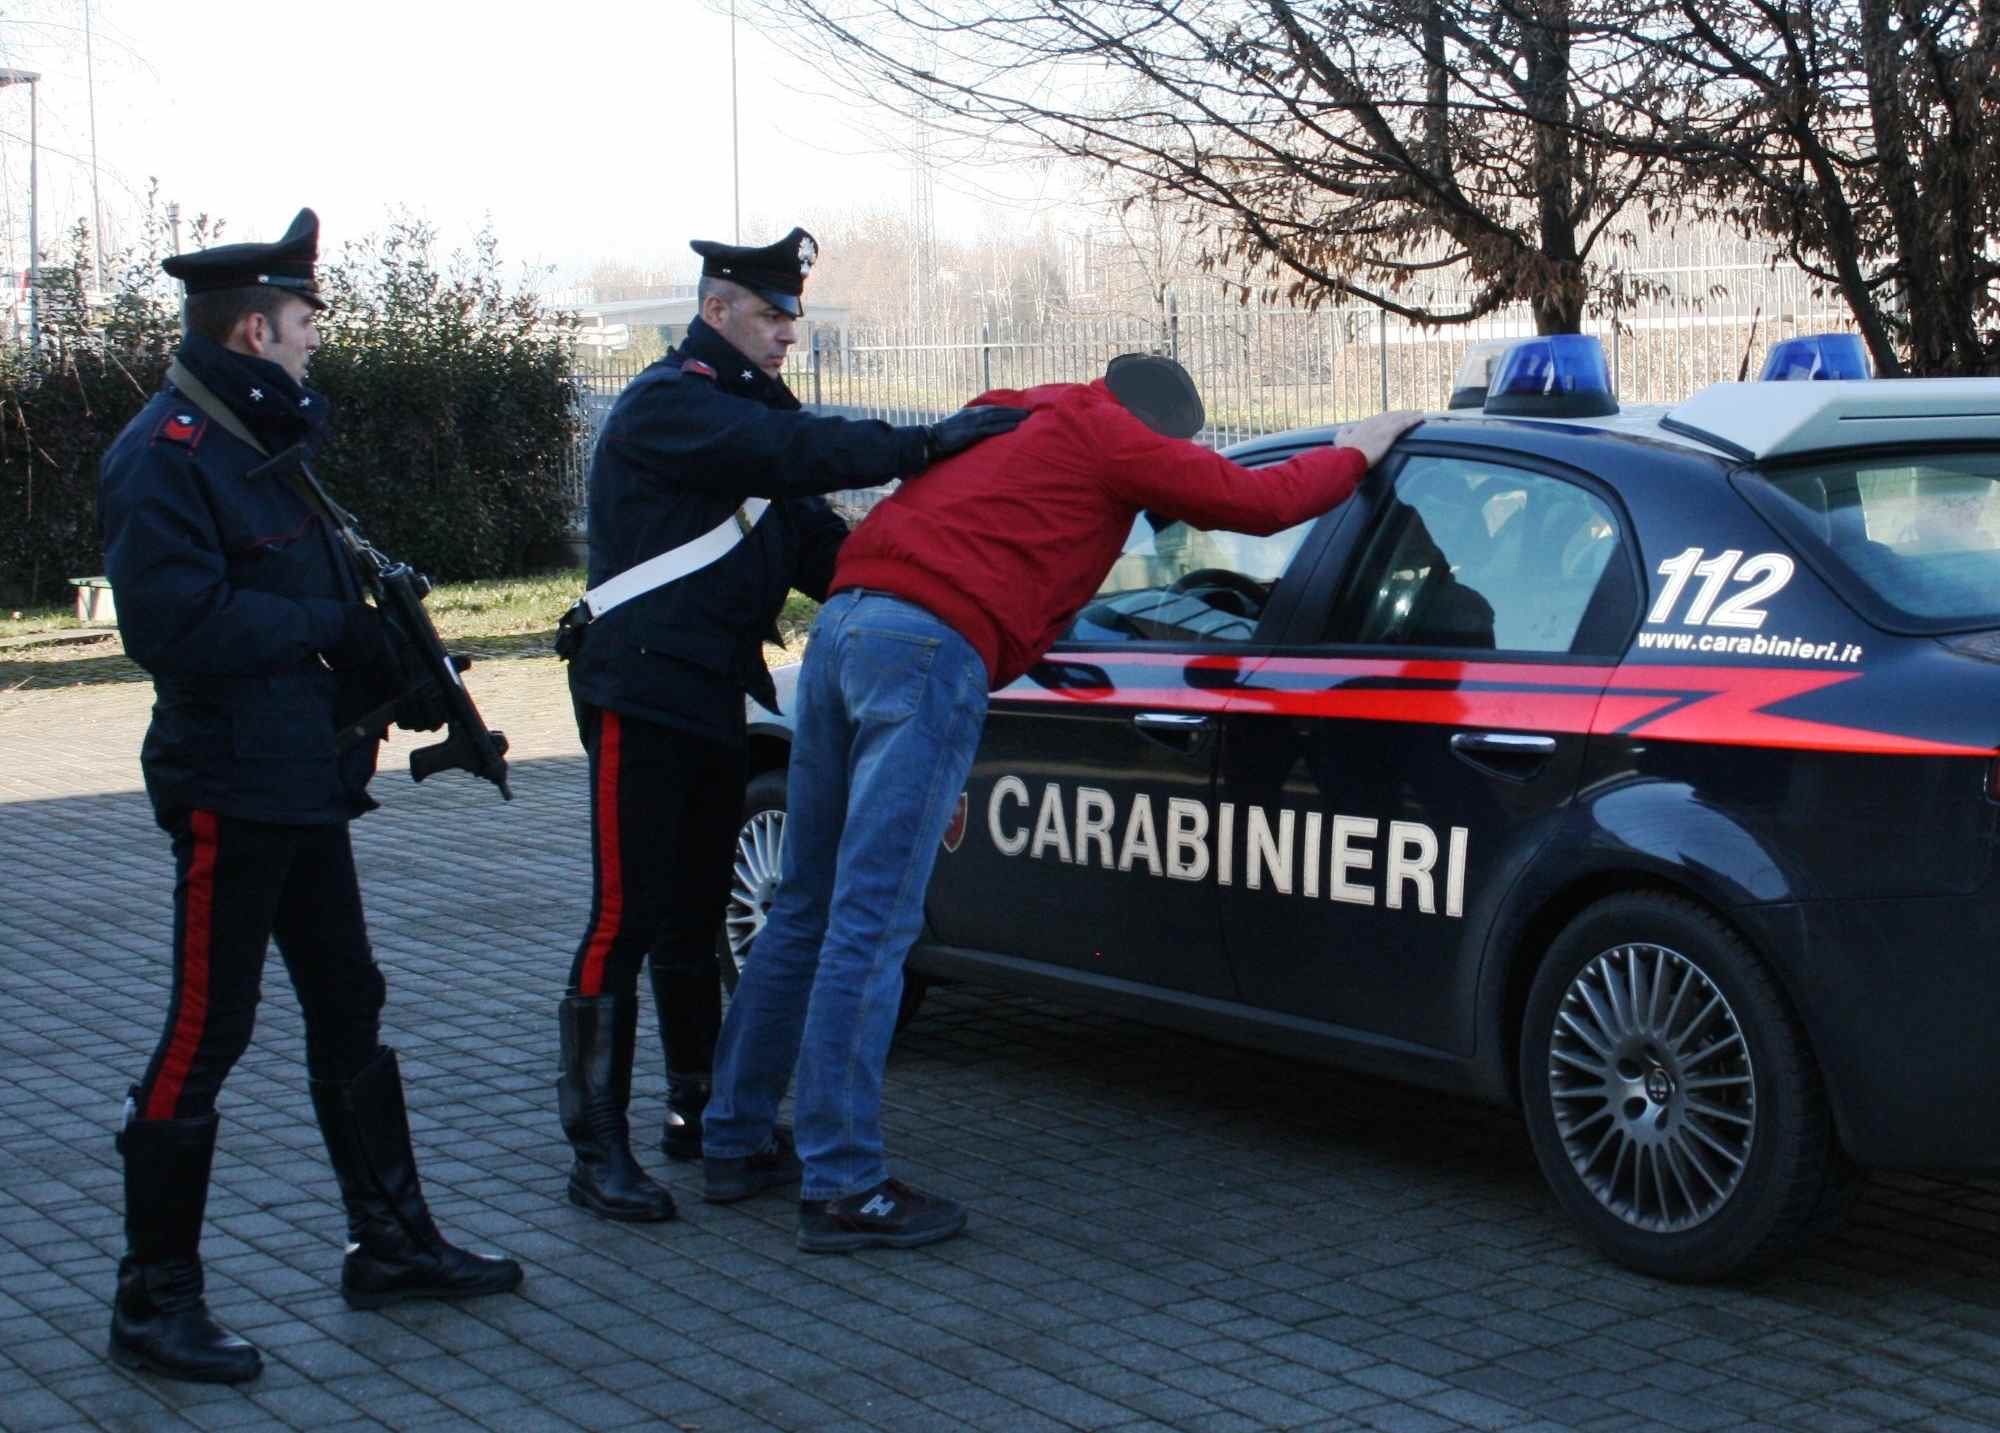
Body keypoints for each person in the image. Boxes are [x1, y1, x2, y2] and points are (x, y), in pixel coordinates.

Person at [705, 353, 1424, 1252]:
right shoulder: (1113, 437)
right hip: (927, 648)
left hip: (845, 628)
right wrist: (1359, 450)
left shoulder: (1014, 410)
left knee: (806, 904)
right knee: (872, 921)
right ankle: (844, 1182)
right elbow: (1261, 504)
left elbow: (990, 544)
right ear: (1158, 432)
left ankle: (732, 1138)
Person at [97, 210, 523, 1385]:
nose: (312, 344)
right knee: (207, 1025)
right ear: (251, 326)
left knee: (349, 999)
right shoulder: (170, 453)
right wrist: (331, 626)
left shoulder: (259, 442)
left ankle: (391, 1240)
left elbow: (312, 590)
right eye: (301, 325)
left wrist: (388, 666)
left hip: (300, 777)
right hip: (230, 783)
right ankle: (154, 1302)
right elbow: (172, 625)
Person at [553, 226, 1025, 1223]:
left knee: (689, 914)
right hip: (638, 691)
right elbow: (789, 454)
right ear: (716, 308)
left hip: (713, 694)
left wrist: (938, 585)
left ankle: (699, 1108)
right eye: (770, 316)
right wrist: (920, 444)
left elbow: (832, 556)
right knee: (626, 915)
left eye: (791, 319)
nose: (785, 335)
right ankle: (597, 1149)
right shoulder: (673, 402)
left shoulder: (755, 415)